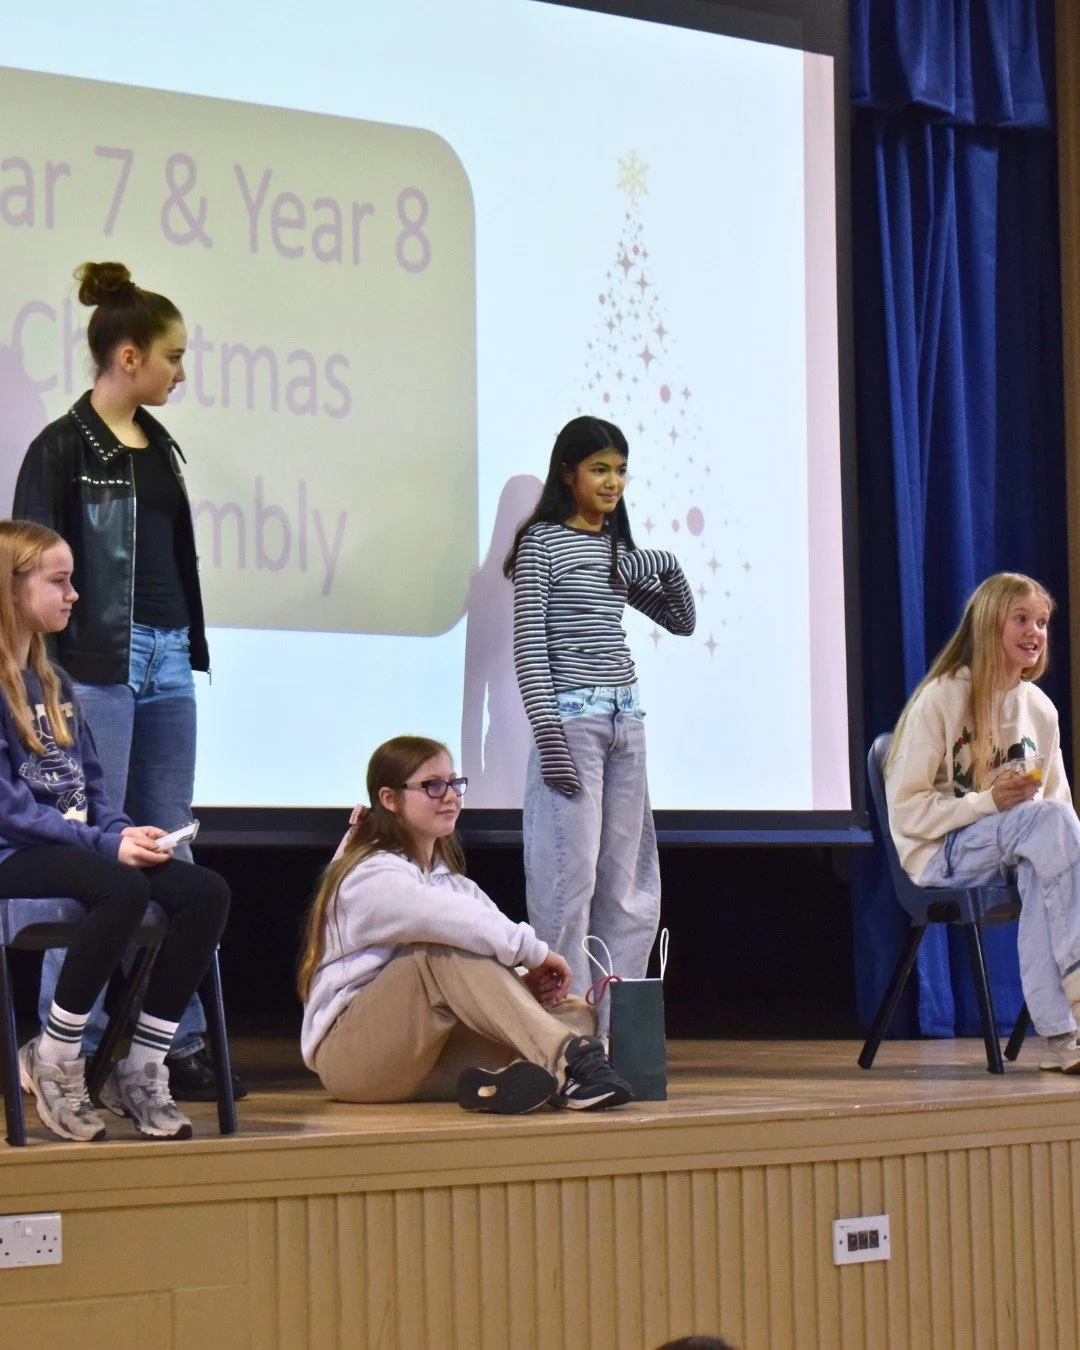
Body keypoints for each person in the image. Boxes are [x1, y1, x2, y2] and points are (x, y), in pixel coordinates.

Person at [13, 260, 243, 1102]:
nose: (182, 372)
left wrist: (178, 644)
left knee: (169, 844)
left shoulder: (162, 446)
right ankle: (57, 1044)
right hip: (95, 666)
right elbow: (26, 572)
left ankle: (161, 1045)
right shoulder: (62, 446)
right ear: (128, 356)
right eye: (173, 356)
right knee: (89, 848)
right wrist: (46, 676)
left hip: (167, 655)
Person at [0, 519, 230, 1140]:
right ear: (10, 587)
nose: (75, 594)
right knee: (119, 888)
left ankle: (144, 1063)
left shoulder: (58, 685)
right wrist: (107, 846)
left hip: (78, 847)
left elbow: (95, 789)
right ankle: (52, 1057)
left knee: (202, 890)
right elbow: (12, 811)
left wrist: (129, 833)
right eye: (60, 581)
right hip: (15, 853)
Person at [299, 735, 633, 1113]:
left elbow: (485, 944)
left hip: (425, 1062)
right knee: (435, 951)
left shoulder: (453, 884)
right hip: (354, 1060)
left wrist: (523, 981)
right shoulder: (368, 875)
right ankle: (571, 1063)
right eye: (432, 786)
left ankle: (500, 1084)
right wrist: (536, 953)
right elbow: (450, 921)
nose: (451, 796)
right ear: (389, 799)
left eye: (454, 783)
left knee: (574, 1013)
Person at [503, 416, 696, 1020]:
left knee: (629, 887)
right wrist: (549, 737)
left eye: (619, 470)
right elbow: (529, 647)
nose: (612, 482)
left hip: (625, 722)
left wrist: (662, 561)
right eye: (599, 469)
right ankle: (569, 1030)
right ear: (569, 473)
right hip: (574, 727)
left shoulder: (615, 548)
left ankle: (616, 1030)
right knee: (569, 881)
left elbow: (680, 619)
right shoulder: (541, 542)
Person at [885, 572, 1080, 1071]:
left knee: (1047, 863)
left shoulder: (1041, 710)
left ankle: (1061, 1040)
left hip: (1017, 849)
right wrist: (987, 803)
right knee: (1047, 833)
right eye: (1021, 619)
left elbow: (1060, 810)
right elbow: (907, 811)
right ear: (990, 623)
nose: (1035, 631)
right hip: (939, 854)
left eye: (1042, 622)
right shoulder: (942, 697)